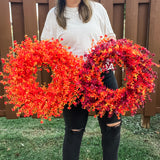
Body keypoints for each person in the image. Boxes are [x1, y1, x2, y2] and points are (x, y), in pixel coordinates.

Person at [41, 0, 122, 160]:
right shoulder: (54, 15)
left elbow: (110, 37)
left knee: (113, 126)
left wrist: (107, 51)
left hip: (102, 75)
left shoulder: (97, 9)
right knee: (74, 130)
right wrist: (66, 67)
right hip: (72, 81)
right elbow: (46, 48)